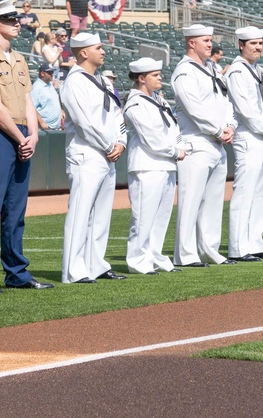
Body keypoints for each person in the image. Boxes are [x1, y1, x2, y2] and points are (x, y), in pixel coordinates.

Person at [0, 0, 53, 292]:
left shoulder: (19, 58)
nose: (17, 22)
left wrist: (34, 134)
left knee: (16, 210)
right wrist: (21, 138)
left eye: (16, 18)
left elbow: (28, 101)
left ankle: (17, 273)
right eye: (9, 19)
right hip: (0, 134)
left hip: (21, 133)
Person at [59, 32, 127, 284]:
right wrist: (109, 144)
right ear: (83, 52)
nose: (103, 51)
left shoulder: (103, 81)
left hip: (107, 154)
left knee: (101, 215)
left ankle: (96, 265)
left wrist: (121, 142)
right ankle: (73, 271)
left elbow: (118, 114)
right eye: (98, 48)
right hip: (86, 153)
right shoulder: (75, 81)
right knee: (81, 213)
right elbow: (83, 122)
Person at [171, 24, 236, 267]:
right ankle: (185, 255)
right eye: (205, 40)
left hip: (217, 142)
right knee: (191, 201)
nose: (210, 44)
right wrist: (219, 129)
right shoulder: (184, 71)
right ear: (191, 43)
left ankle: (209, 250)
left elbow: (226, 101)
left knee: (213, 201)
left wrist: (230, 126)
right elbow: (193, 108)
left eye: (210, 40)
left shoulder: (211, 68)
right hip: (196, 142)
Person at [224, 27, 263, 262]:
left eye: (260, 43)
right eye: (253, 43)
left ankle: (255, 243)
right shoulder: (237, 71)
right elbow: (245, 110)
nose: (258, 47)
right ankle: (238, 248)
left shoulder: (257, 70)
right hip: (248, 137)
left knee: (260, 194)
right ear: (241, 45)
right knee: (245, 193)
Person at [124, 57, 183, 275]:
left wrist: (180, 146)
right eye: (155, 75)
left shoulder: (159, 100)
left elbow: (173, 128)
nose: (160, 78)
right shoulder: (136, 103)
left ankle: (155, 256)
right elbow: (152, 138)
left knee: (161, 216)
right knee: (143, 216)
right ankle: (138, 260)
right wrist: (176, 151)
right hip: (146, 165)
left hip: (166, 165)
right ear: (141, 78)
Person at [31, 63, 62, 130]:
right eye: (50, 73)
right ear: (42, 73)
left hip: (55, 127)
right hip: (44, 129)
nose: (52, 75)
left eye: (52, 72)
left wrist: (61, 111)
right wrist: (41, 122)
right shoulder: (36, 88)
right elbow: (31, 108)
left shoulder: (49, 84)